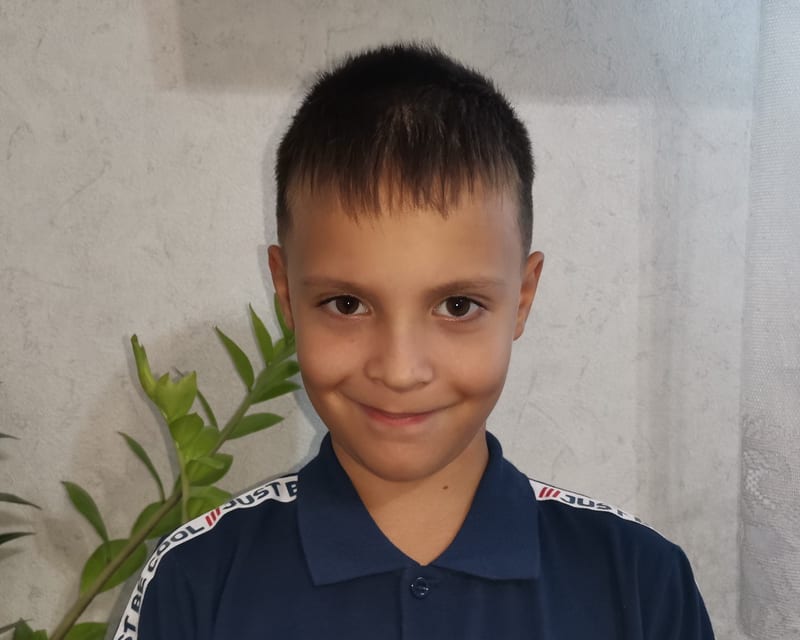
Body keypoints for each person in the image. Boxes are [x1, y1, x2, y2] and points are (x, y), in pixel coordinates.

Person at [114, 43, 714, 639]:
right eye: (347, 304)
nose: (400, 371)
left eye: (458, 306)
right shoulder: (195, 582)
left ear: (523, 298)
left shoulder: (641, 582)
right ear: (287, 294)